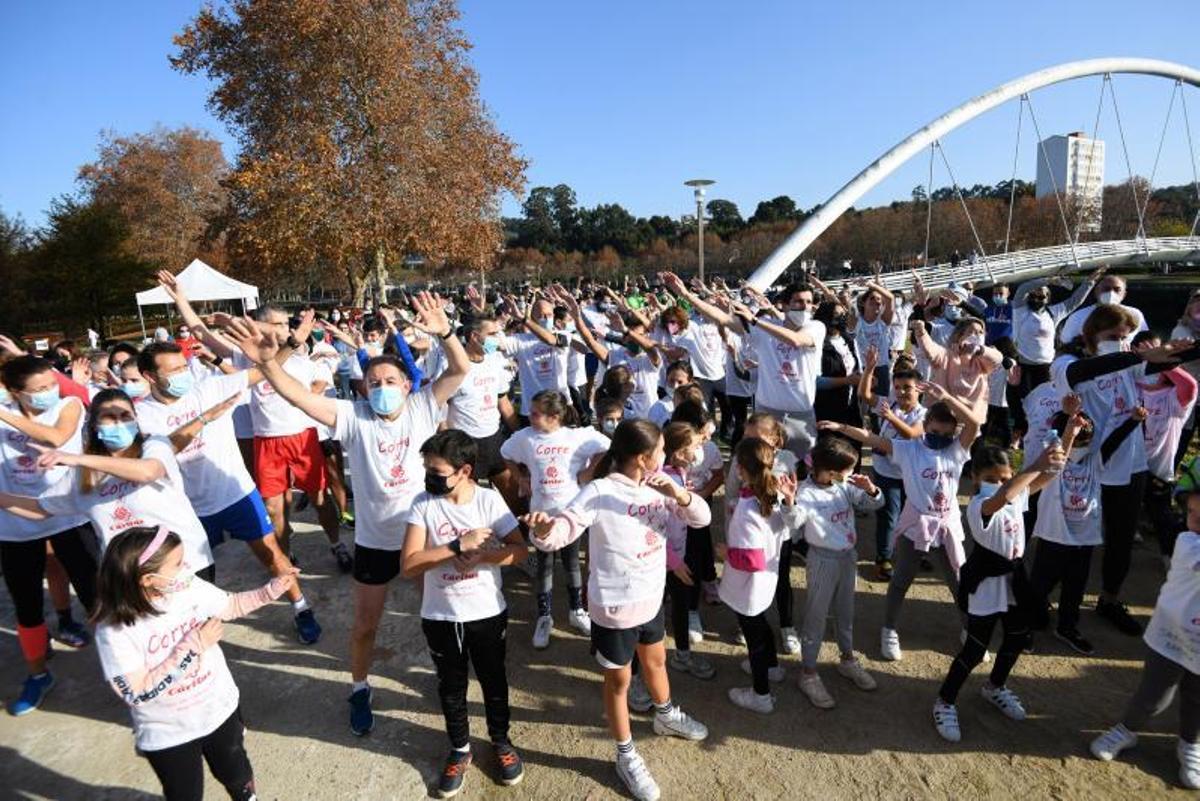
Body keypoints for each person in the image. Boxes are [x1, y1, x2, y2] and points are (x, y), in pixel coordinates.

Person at [222, 292, 468, 739]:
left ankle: (446, 679)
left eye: (390, 380)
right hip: (374, 543)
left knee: (441, 618)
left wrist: (446, 333)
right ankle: (359, 687)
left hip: (423, 538)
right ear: (362, 389)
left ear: (408, 384)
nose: (382, 388)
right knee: (364, 627)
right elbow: (297, 397)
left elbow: (459, 370)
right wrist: (270, 364)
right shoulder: (351, 417)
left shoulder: (422, 407)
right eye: (373, 383)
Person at [524, 420, 710, 801]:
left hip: (651, 598)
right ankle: (625, 753)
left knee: (656, 661)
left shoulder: (660, 487)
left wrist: (679, 493)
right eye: (661, 450)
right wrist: (543, 530)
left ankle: (666, 714)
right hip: (614, 607)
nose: (666, 455)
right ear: (643, 457)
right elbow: (561, 532)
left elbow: (702, 518)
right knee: (620, 681)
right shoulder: (599, 491)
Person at [133, 342, 322, 645]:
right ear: (150, 376)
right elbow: (158, 456)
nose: (184, 374)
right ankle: (195, 630)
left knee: (273, 555)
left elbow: (262, 372)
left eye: (185, 367)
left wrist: (291, 344)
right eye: (174, 370)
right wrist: (204, 420)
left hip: (236, 493)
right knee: (185, 575)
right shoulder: (141, 415)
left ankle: (301, 607)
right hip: (187, 509)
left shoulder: (207, 389)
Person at [92, 525, 297, 801]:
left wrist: (270, 591)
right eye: (177, 564)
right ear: (148, 579)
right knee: (184, 794)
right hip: (169, 733)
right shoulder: (114, 630)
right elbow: (136, 692)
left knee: (237, 774)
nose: (186, 566)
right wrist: (194, 647)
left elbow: (230, 606)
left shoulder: (188, 587)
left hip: (218, 710)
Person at [1051, 307, 1198, 635]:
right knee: (1077, 540)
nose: (1120, 343)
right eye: (1113, 337)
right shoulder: (1066, 364)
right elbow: (1087, 371)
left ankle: (1110, 598)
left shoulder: (1130, 367)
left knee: (1120, 539)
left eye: (1124, 337)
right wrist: (1135, 356)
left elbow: (1165, 364)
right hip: (1089, 466)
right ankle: (1058, 604)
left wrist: (1176, 351)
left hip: (1131, 465)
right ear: (1091, 335)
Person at [402, 430, 528, 798]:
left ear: (465, 471)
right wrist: (456, 545)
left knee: (493, 680)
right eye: (427, 469)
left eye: (437, 471)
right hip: (441, 615)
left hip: (487, 611)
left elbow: (520, 550)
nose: (429, 477)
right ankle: (459, 748)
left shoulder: (489, 501)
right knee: (451, 685)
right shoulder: (421, 504)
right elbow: (409, 565)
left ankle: (501, 742)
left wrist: (485, 555)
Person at [819, 384, 979, 662]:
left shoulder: (957, 450)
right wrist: (842, 427)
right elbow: (872, 439)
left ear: (953, 433)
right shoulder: (909, 449)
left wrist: (947, 397)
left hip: (946, 524)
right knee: (902, 578)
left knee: (957, 579)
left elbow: (975, 422)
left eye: (945, 433)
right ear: (924, 425)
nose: (939, 437)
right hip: (916, 522)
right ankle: (889, 630)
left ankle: (969, 628)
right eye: (933, 431)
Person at [0, 388, 214, 579]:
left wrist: (77, 459)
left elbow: (148, 472)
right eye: (109, 418)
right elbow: (41, 508)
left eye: (125, 416)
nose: (119, 423)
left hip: (184, 566)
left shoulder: (154, 445)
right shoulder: (82, 474)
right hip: (128, 578)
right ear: (94, 424)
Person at [932, 442, 1063, 743]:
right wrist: (1034, 466)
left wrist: (1067, 434)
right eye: (991, 478)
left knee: (1016, 637)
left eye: (1005, 478)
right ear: (975, 478)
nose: (999, 484)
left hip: (1014, 581)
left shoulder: (1015, 496)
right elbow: (1003, 496)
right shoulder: (979, 505)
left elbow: (1050, 473)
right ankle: (944, 701)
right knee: (976, 648)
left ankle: (995, 686)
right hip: (986, 584)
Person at [0, 355, 98, 716]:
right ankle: (38, 674)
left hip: (69, 516)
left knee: (97, 597)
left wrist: (4, 414)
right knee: (26, 606)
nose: (48, 393)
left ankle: (123, 664)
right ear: (13, 392)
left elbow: (57, 435)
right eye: (37, 390)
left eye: (50, 385)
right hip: (14, 525)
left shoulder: (67, 405)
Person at [1090, 490, 1200, 790]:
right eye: (1191, 513)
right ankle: (1126, 729)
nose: (1194, 520)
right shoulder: (1188, 543)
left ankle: (1190, 745)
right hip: (1171, 636)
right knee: (1154, 694)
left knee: (1196, 699)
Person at [667, 272, 825, 464]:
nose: (805, 307)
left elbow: (796, 341)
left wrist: (756, 321)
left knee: (804, 466)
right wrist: (686, 294)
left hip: (801, 413)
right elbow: (722, 319)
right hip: (768, 412)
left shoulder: (816, 327)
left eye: (809, 302)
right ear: (784, 304)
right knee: (762, 464)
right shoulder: (765, 328)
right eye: (799, 302)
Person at [1029, 399, 1141, 655]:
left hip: (1084, 540)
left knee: (1075, 588)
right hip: (1054, 536)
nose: (1083, 427)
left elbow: (1113, 442)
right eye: (1077, 427)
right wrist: (1070, 420)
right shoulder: (1052, 457)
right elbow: (1056, 441)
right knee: (1039, 586)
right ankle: (1027, 624)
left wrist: (1133, 421)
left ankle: (1067, 627)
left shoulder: (1094, 460)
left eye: (1086, 425)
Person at [500, 390, 608, 649]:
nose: (530, 416)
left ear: (555, 416)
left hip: (570, 516)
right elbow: (505, 452)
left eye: (536, 414)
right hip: (541, 516)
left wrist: (589, 472)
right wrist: (520, 478)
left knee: (572, 564)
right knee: (544, 568)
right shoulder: (526, 438)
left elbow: (606, 446)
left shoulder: (576, 436)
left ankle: (576, 611)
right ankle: (544, 616)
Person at [791, 437, 884, 709]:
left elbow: (874, 505)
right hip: (822, 559)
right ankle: (808, 672)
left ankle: (847, 659)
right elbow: (792, 523)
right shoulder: (806, 493)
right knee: (816, 616)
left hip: (848, 556)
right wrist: (788, 502)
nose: (852, 475)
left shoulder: (843, 485)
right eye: (848, 470)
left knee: (846, 611)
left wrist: (872, 490)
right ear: (830, 471)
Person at [720, 437, 802, 713]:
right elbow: (788, 532)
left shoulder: (747, 509)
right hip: (768, 579)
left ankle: (761, 695)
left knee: (753, 637)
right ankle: (772, 666)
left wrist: (725, 553)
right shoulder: (773, 497)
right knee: (762, 625)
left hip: (748, 585)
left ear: (741, 469)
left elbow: (750, 560)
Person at [859, 349, 926, 580]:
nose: (901, 392)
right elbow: (865, 394)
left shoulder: (923, 414)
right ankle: (884, 558)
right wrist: (869, 369)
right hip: (886, 472)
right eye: (897, 388)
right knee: (889, 515)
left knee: (915, 515)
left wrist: (890, 418)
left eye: (907, 387)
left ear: (919, 388)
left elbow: (912, 435)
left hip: (912, 475)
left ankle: (915, 553)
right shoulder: (891, 405)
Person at [658, 421, 717, 680]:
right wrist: (673, 562)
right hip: (663, 560)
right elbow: (654, 530)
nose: (699, 451)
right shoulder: (662, 482)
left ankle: (681, 654)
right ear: (680, 452)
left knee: (680, 604)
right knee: (657, 611)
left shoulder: (676, 472)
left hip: (677, 554)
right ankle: (648, 666)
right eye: (695, 446)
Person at [1132, 331, 1198, 558]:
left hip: (1158, 470)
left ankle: (1169, 557)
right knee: (1122, 512)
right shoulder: (1129, 386)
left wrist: (1161, 362)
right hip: (1126, 467)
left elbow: (1190, 387)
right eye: (1144, 352)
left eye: (1157, 351)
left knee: (1162, 516)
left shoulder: (1173, 396)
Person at [1009, 271, 1097, 436]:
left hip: (1047, 367)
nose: (1037, 298)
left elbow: (1074, 301)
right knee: (1024, 403)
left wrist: (1089, 282)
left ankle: (1049, 432)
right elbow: (1023, 288)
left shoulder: (1053, 312)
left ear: (1048, 298)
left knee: (1047, 403)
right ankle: (1021, 434)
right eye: (1034, 294)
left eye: (1042, 296)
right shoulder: (1020, 310)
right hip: (1025, 365)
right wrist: (1049, 280)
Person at [909, 317, 1000, 425]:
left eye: (981, 332)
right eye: (972, 332)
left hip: (970, 422)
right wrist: (921, 332)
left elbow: (998, 358)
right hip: (940, 421)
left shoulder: (983, 362)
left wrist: (980, 349)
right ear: (959, 336)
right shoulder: (946, 355)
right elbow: (930, 349)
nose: (977, 336)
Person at [1059, 273, 1149, 348]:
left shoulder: (1135, 314)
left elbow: (1145, 341)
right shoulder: (1078, 317)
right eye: (1106, 289)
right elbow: (1066, 345)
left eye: (1117, 290)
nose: (1111, 293)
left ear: (1124, 294)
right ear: (1096, 291)